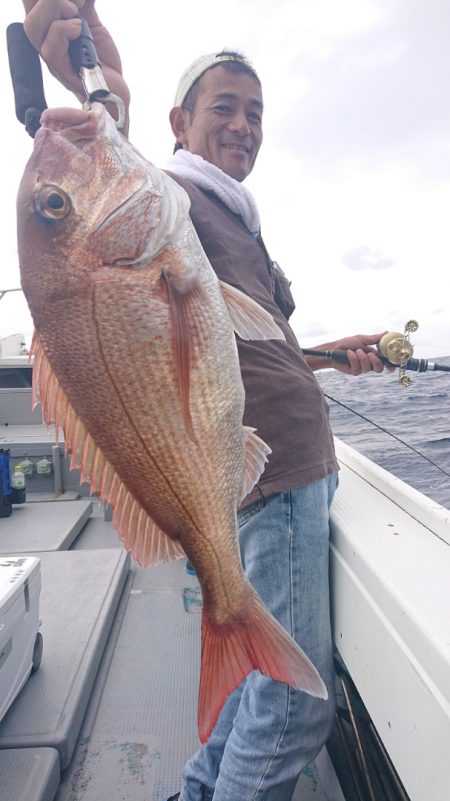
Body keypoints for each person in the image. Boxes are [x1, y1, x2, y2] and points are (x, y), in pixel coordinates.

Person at [22, 3, 393, 799]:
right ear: (178, 126)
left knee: (249, 683)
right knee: (292, 709)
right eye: (223, 107)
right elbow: (108, 145)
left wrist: (333, 354)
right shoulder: (173, 198)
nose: (243, 125)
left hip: (266, 464)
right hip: (273, 477)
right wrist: (95, 85)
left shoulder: (223, 215)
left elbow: (241, 350)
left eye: (255, 112)